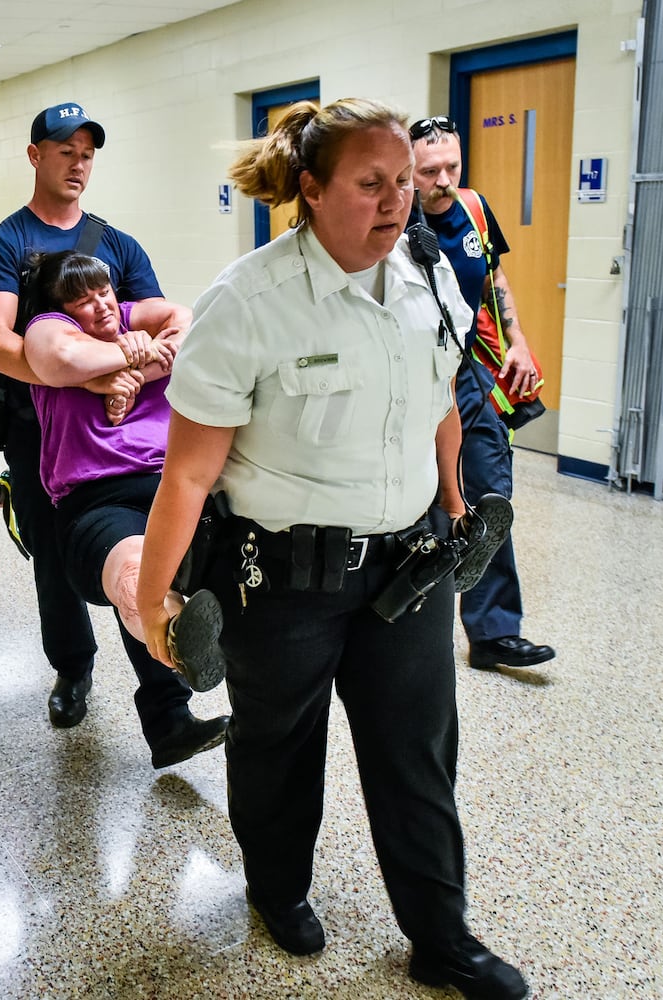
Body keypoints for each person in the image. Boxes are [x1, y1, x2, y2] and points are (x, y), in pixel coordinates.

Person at [134, 99, 527, 999]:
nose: (395, 203)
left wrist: (457, 507)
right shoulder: (247, 304)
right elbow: (187, 476)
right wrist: (155, 604)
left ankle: (441, 937)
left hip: (409, 568)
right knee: (277, 745)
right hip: (281, 585)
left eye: (401, 183)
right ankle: (277, 891)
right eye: (369, 184)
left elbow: (436, 405)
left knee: (417, 754)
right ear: (309, 191)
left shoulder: (426, 279)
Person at [0, 101, 227, 767]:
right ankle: (72, 669)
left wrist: (126, 374)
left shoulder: (117, 245)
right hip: (39, 429)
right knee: (58, 563)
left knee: (138, 551)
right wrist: (76, 379)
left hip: (126, 433)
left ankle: (164, 707)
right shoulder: (4, 244)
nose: (77, 164)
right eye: (64, 151)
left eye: (86, 153)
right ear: (35, 156)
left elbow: (150, 332)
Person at [23, 251, 232, 732]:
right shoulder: (47, 336)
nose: (99, 307)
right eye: (81, 301)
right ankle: (180, 634)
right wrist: (130, 357)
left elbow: (185, 319)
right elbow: (64, 357)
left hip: (175, 485)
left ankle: (174, 719)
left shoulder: (130, 322)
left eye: (103, 292)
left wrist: (132, 372)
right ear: (60, 310)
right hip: (98, 499)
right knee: (138, 571)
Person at [409, 116, 556, 673]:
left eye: (453, 166)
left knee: (490, 495)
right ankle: (409, 623)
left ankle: (494, 631)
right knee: (420, 497)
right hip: (413, 374)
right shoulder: (394, 220)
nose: (444, 180)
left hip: (468, 368)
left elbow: (492, 273)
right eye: (430, 171)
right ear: (408, 170)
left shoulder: (473, 208)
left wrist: (517, 340)